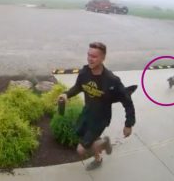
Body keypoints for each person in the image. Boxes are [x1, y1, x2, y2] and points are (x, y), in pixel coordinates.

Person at [58, 42, 136, 171]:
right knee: (84, 136)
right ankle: (98, 157)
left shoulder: (112, 80)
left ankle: (104, 144)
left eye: (94, 56)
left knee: (81, 150)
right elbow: (78, 87)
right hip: (87, 112)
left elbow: (127, 102)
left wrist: (129, 124)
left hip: (101, 118)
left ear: (102, 58)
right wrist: (67, 95)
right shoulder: (84, 72)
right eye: (88, 55)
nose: (90, 58)